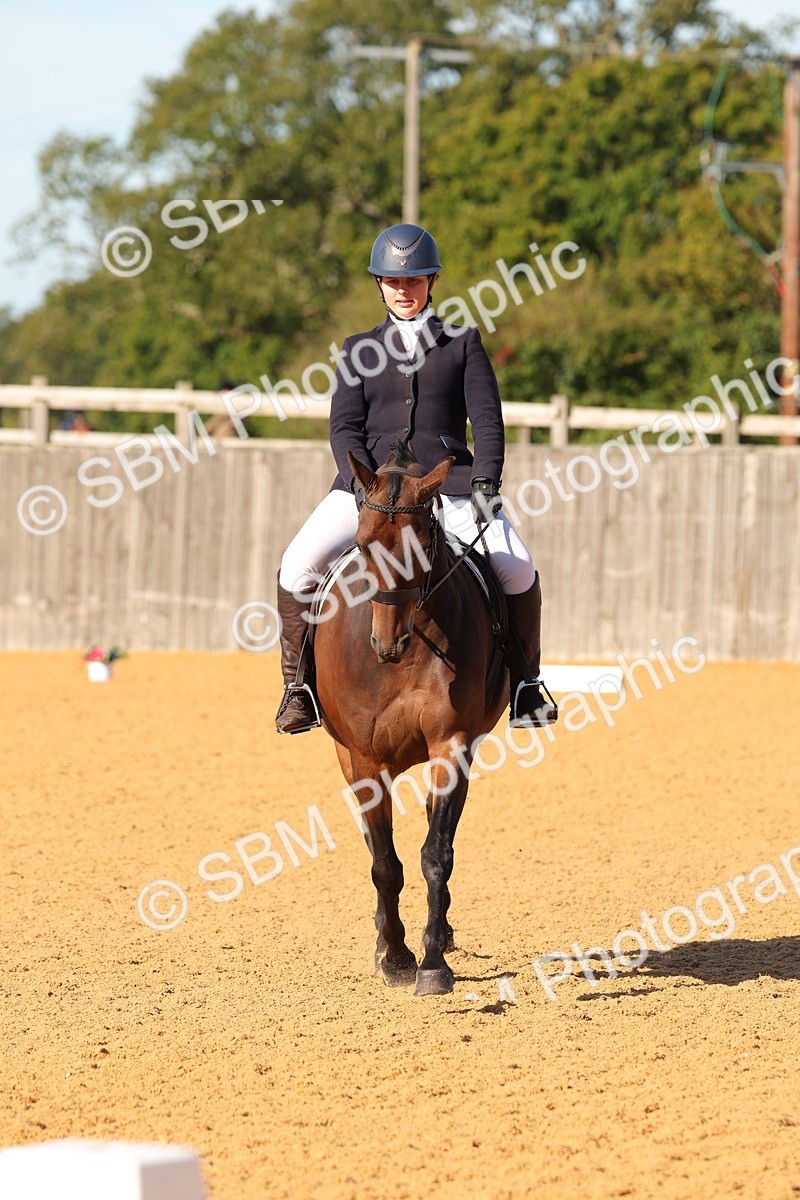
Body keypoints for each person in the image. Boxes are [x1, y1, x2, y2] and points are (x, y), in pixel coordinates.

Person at [275, 222, 556, 735]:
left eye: (414, 281)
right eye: (393, 282)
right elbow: (344, 427)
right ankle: (299, 689)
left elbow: (487, 422)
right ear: (379, 285)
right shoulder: (358, 348)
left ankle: (526, 686)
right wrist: (362, 485)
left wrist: (487, 481)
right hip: (371, 491)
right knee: (297, 565)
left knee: (518, 568)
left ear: (431, 281)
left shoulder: (462, 343)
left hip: (448, 484)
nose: (404, 291)